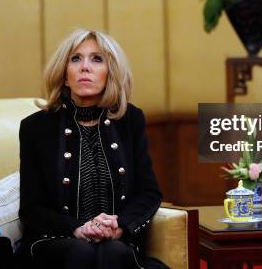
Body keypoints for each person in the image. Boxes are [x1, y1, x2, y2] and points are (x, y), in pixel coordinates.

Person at [18, 29, 166, 268]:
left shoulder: (131, 120)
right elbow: (31, 208)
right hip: (55, 241)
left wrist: (119, 227)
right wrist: (77, 228)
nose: (84, 67)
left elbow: (149, 192)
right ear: (65, 76)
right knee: (82, 251)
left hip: (116, 242)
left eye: (97, 59)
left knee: (113, 252)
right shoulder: (36, 127)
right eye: (75, 59)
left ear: (111, 74)